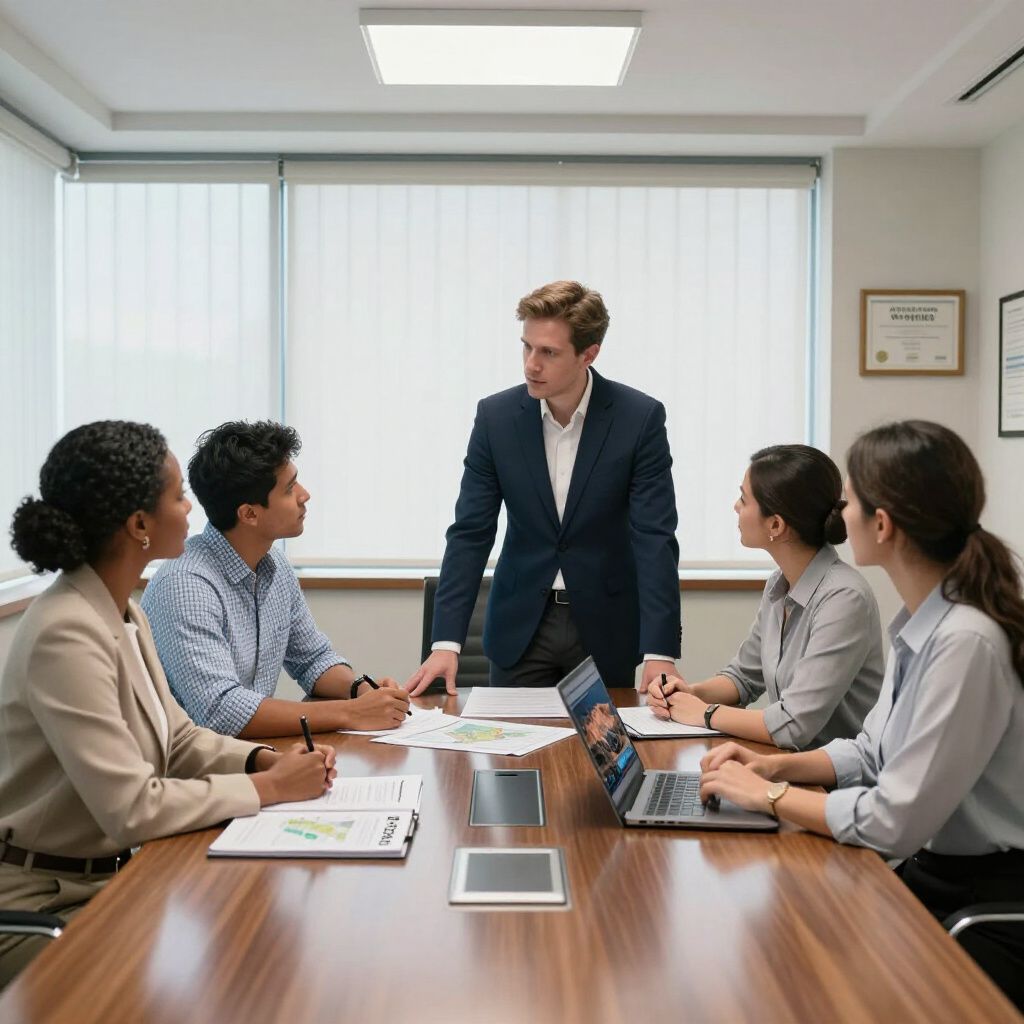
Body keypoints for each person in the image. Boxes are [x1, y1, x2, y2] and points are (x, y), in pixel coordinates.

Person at [698, 421, 1024, 1008]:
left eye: (849, 500)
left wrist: (766, 797)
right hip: (926, 871)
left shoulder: (964, 642)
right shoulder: (923, 623)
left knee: (803, 977)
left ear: (883, 525)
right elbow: (869, 751)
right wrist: (774, 770)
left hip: (980, 904)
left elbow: (893, 820)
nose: (838, 513)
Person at [0, 421, 335, 987]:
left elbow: (177, 737)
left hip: (113, 880)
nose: (191, 509)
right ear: (139, 525)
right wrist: (269, 789)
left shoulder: (123, 613)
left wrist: (262, 762)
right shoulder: (66, 632)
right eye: (179, 495)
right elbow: (132, 807)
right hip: (46, 903)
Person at [406, 280, 681, 694]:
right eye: (527, 347)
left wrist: (659, 651)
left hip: (605, 627)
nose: (531, 365)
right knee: (511, 755)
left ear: (589, 354)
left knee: (598, 757)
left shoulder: (638, 419)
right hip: (520, 629)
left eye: (548, 352)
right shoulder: (496, 418)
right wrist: (446, 642)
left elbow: (654, 537)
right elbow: (470, 532)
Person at [142, 421, 409, 738]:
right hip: (188, 771)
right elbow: (222, 713)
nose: (304, 495)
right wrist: (352, 713)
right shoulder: (186, 585)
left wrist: (365, 691)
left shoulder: (275, 565)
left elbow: (312, 659)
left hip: (245, 757)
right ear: (249, 514)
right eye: (289, 488)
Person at [650, 445, 884, 749]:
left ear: (776, 525)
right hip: (792, 764)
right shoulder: (779, 583)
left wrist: (704, 713)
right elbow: (743, 678)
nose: (735, 506)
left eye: (744, 499)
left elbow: (792, 724)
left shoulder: (844, 599)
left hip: (835, 784)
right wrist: (690, 693)